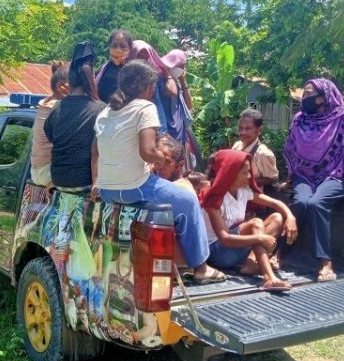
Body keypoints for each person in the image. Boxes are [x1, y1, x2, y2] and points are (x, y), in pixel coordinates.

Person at [93, 60, 225, 284]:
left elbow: (97, 151)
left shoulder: (106, 111)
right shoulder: (145, 108)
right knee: (187, 201)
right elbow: (147, 152)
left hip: (107, 190)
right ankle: (202, 268)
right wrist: (160, 158)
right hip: (133, 188)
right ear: (148, 87)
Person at [282, 78, 344, 282]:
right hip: (304, 175)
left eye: (309, 94)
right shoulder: (300, 120)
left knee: (317, 203)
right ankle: (281, 253)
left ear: (323, 97)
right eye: (304, 94)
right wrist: (291, 176)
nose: (305, 97)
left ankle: (326, 262)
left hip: (335, 174)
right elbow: (290, 149)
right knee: (301, 203)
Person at [201, 149, 297, 291]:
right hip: (219, 253)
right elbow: (225, 239)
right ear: (231, 174)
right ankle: (269, 277)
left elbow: (276, 203)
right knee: (256, 224)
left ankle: (251, 263)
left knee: (277, 218)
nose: (250, 176)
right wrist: (259, 238)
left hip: (237, 247)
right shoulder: (213, 199)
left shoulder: (243, 191)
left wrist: (290, 216)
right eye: (245, 172)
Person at [44, 42, 106, 190]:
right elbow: (101, 150)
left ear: (70, 81)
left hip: (58, 180)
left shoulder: (57, 108)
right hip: (85, 182)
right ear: (91, 79)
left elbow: (50, 135)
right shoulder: (101, 109)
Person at [30, 61, 69, 187]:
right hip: (49, 172)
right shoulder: (58, 108)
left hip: (37, 171)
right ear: (61, 87)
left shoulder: (44, 103)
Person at [231, 108, 279, 190]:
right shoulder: (237, 146)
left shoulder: (263, 154)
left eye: (248, 128)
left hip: (254, 195)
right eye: (240, 128)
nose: (243, 132)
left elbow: (273, 179)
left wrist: (245, 180)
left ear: (259, 130)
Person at [96, 30, 134, 103]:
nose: (118, 50)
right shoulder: (102, 70)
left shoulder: (133, 72)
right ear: (109, 47)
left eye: (123, 46)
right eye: (114, 46)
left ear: (130, 49)